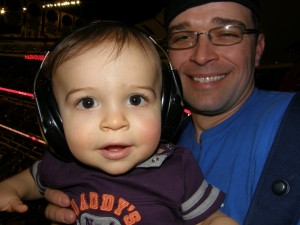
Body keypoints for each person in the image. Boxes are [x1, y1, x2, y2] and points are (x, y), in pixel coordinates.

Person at [39, 0, 300, 225]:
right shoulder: (150, 141)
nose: (201, 56)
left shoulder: (293, 123)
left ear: (258, 49)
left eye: (227, 32)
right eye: (183, 37)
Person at [0, 20, 239, 225]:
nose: (114, 122)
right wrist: (10, 188)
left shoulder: (178, 170)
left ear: (165, 108)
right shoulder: (61, 163)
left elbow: (210, 218)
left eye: (136, 99)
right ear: (55, 118)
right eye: (87, 103)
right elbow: (33, 179)